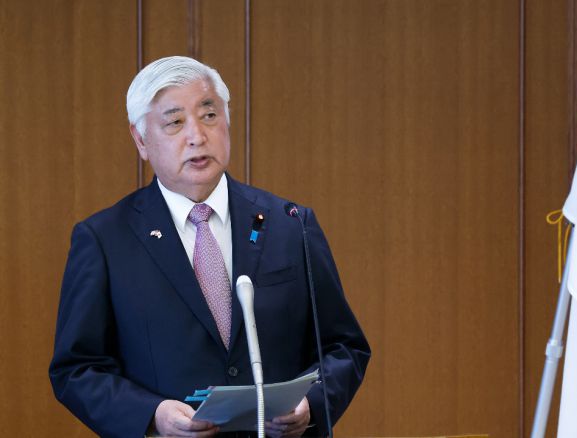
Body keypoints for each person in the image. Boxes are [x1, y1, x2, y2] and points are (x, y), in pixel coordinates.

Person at [49, 56, 370, 438]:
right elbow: (76, 369)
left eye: (209, 116)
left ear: (227, 121)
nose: (197, 136)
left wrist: (311, 405)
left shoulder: (290, 223)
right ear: (141, 140)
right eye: (174, 122)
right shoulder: (105, 239)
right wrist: (152, 415)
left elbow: (342, 347)